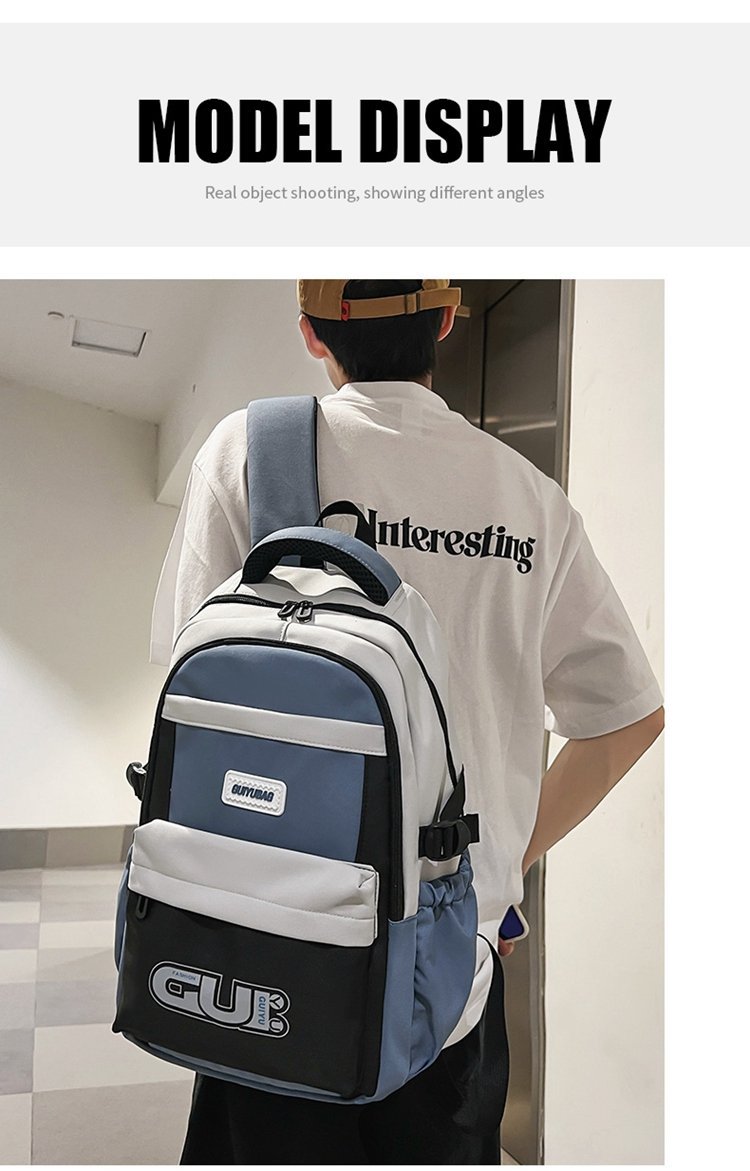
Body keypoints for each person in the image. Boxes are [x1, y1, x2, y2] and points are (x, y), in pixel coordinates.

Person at [149, 279, 664, 1165]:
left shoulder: (251, 454)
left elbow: (188, 689)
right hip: (450, 979)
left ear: (312, 333)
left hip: (275, 954)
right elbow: (627, 718)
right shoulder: (531, 500)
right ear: (448, 319)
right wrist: (501, 864)